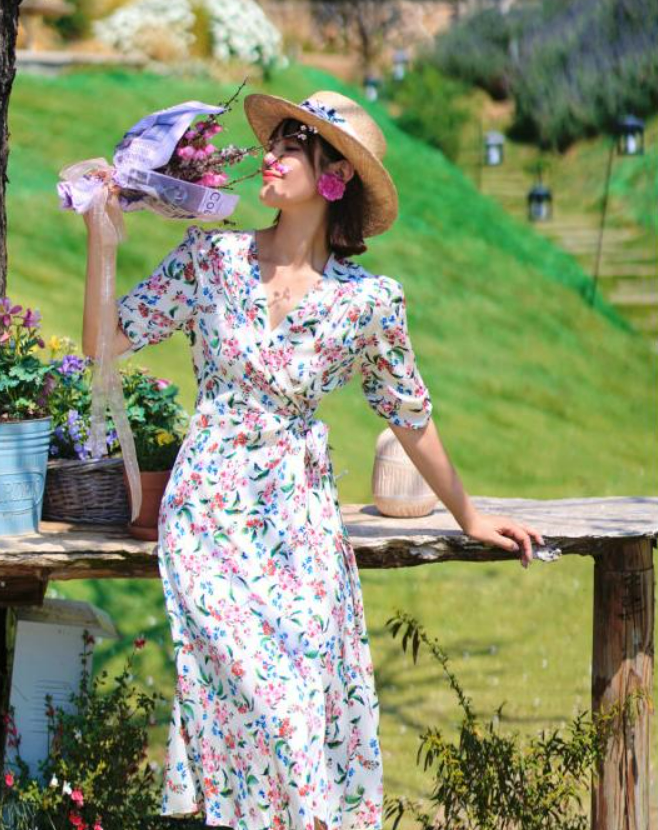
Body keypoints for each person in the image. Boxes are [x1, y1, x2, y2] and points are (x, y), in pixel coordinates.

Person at [82, 90, 544, 830]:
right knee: (257, 704)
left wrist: (470, 515)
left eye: (292, 146)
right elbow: (103, 343)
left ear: (335, 177)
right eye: (276, 141)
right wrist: (101, 238)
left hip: (298, 525)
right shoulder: (211, 259)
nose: (270, 155)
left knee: (299, 718)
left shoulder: (369, 302)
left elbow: (410, 415)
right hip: (208, 515)